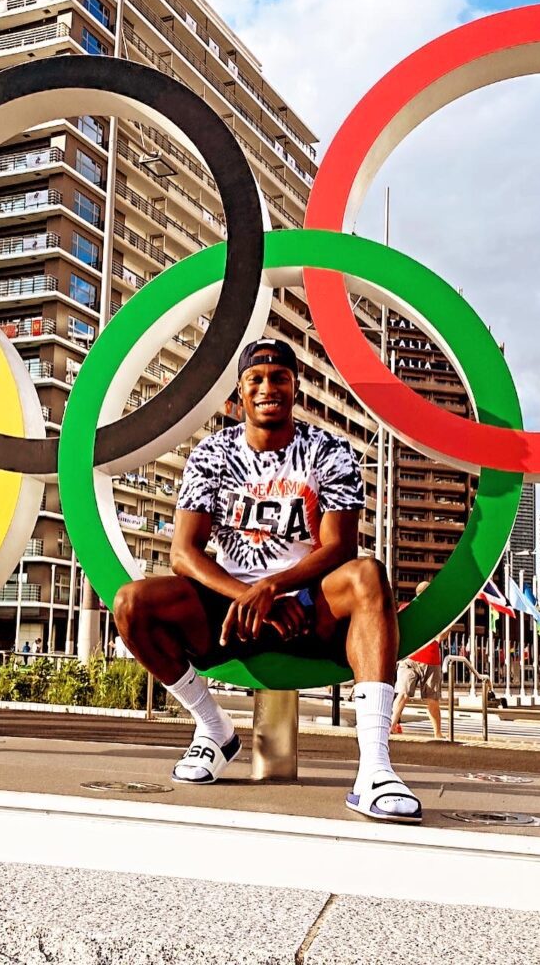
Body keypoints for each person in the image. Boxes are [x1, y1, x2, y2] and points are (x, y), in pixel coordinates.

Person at [114, 339, 421, 824]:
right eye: (256, 379)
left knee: (367, 575)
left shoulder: (329, 451)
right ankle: (213, 728)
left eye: (279, 377)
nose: (268, 387)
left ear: (295, 387)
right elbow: (183, 553)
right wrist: (251, 595)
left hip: (307, 602)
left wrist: (274, 589)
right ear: (240, 392)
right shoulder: (212, 454)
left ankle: (375, 770)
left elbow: (339, 547)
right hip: (228, 607)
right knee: (132, 603)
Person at [389, 581, 443, 739]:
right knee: (412, 695)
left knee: (408, 695)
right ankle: (437, 733)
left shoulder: (412, 609)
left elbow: (442, 636)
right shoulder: (413, 609)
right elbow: (443, 635)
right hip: (417, 659)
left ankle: (437, 733)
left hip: (421, 658)